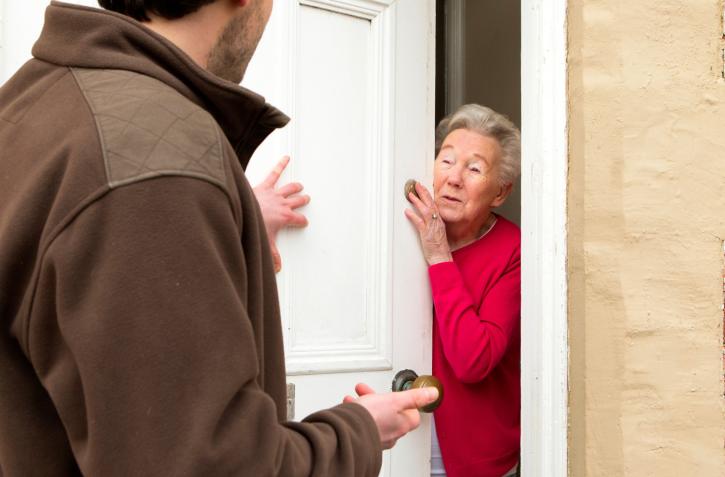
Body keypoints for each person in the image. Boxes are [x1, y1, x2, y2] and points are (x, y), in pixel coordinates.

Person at [0, 1, 438, 475]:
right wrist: (359, 433)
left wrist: (230, 218)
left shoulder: (38, 100)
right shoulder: (156, 162)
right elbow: (210, 465)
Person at [405, 104, 521, 477]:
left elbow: (475, 361)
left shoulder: (514, 251)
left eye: (474, 168)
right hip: (401, 436)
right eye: (447, 160)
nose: (454, 178)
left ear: (500, 192)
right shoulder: (401, 230)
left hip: (474, 455)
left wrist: (440, 258)